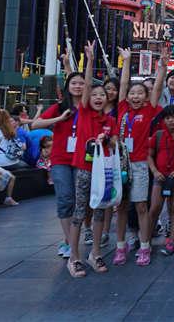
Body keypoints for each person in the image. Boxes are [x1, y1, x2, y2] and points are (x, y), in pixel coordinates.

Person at [113, 46, 166, 267]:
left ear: (145, 97)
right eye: (133, 93)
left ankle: (145, 247)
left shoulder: (149, 110)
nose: (135, 96)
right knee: (122, 207)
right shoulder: (123, 107)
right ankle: (120, 246)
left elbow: (158, 88)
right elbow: (123, 85)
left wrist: (162, 66)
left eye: (139, 93)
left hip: (141, 164)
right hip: (120, 163)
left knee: (141, 206)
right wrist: (125, 61)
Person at [66, 42, 116, 277]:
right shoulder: (84, 111)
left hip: (102, 170)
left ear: (107, 99)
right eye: (94, 94)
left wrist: (106, 139)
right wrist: (90, 60)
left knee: (99, 210)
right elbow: (85, 87)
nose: (97, 97)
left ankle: (95, 253)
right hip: (83, 169)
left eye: (102, 95)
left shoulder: (110, 121)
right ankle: (73, 257)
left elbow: (115, 144)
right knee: (79, 211)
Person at [31, 71, 85, 258]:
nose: (78, 86)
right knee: (65, 199)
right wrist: (58, 120)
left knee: (79, 200)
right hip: (61, 160)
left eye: (81, 83)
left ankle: (73, 239)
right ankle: (69, 241)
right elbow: (35, 124)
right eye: (74, 83)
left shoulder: (88, 107)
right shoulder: (59, 107)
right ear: (68, 87)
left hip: (82, 159)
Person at [147, 105, 174, 257]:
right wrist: (155, 171)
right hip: (160, 177)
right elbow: (149, 155)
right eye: (168, 118)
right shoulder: (158, 135)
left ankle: (172, 238)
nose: (171, 121)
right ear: (164, 120)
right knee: (155, 207)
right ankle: (146, 240)